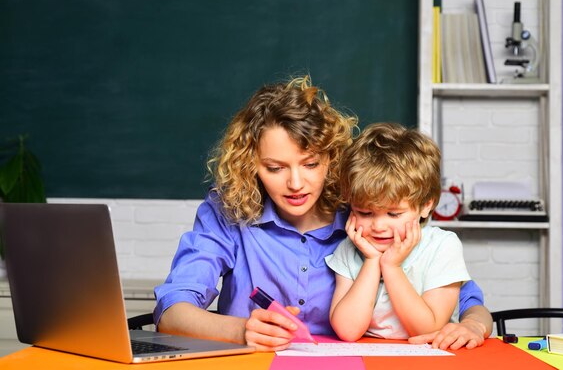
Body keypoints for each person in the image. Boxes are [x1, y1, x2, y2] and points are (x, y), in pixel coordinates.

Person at [153, 76, 492, 352]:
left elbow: (466, 297)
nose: (296, 183)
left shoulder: (366, 213)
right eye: (274, 168)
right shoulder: (227, 212)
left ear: (332, 158)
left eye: (311, 164)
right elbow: (172, 311)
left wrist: (473, 325)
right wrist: (241, 329)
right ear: (250, 165)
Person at [326, 123, 471, 341]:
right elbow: (347, 331)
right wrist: (372, 261)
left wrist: (391, 267)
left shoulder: (442, 246)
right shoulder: (349, 249)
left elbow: (426, 329)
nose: (378, 226)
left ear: (425, 206)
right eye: (365, 213)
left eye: (393, 214)